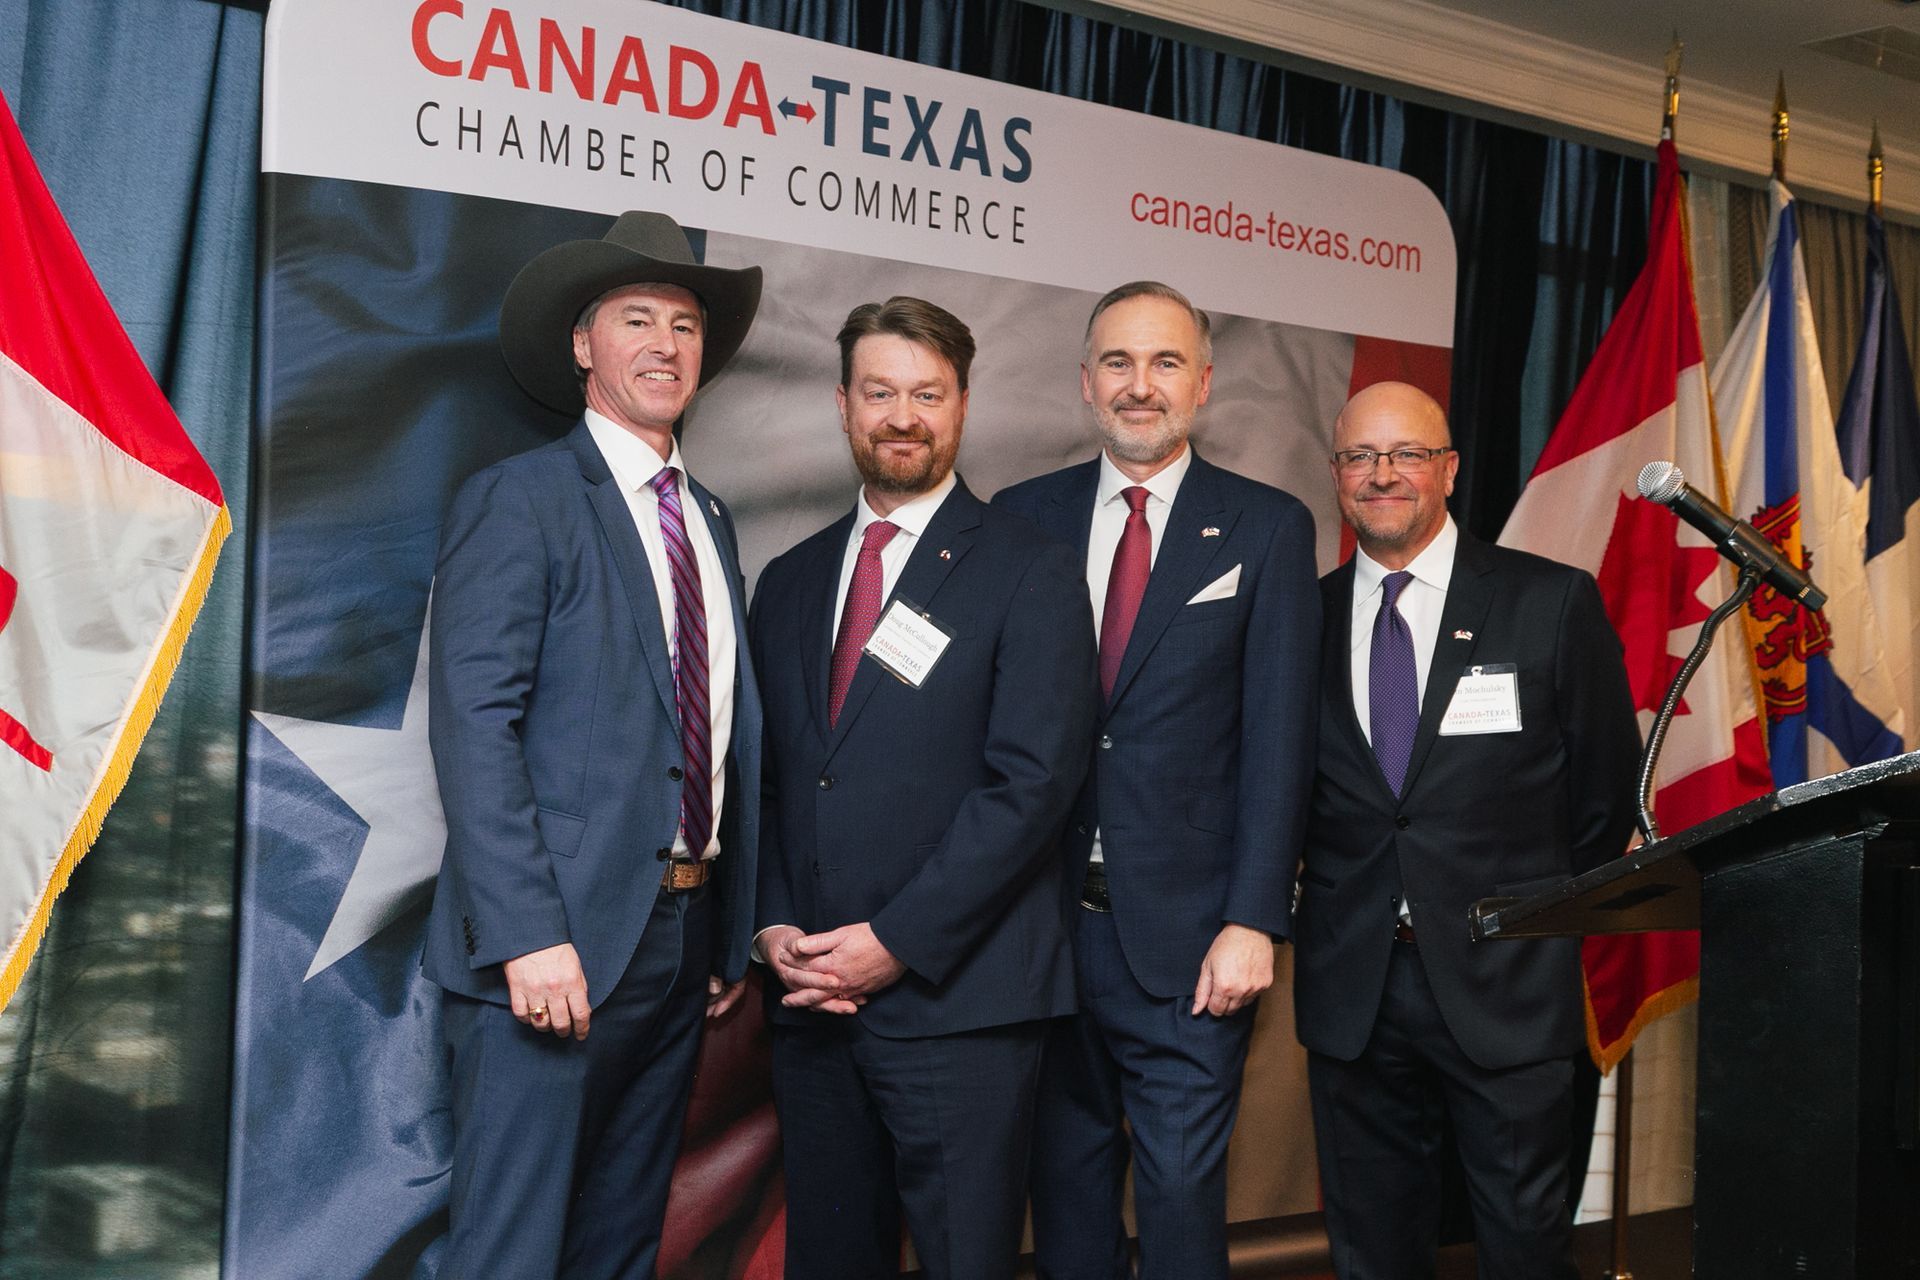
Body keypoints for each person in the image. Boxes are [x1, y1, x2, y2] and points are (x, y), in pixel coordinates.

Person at [419, 211, 765, 1279]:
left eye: (685, 323)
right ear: (584, 345)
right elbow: (474, 721)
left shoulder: (708, 515)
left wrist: (726, 921)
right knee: (514, 1249)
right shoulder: (520, 500)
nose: (665, 343)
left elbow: (714, 732)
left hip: (679, 940)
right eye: (636, 319)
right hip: (557, 946)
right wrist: (526, 932)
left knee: (619, 1240)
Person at [749, 295, 1099, 1280]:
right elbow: (774, 779)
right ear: (842, 403)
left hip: (961, 1005)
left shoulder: (1028, 570)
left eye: (927, 393)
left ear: (963, 404)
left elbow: (1033, 786)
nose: (903, 414)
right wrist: (775, 925)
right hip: (812, 997)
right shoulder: (789, 579)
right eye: (880, 391)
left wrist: (894, 942)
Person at [994, 280, 1320, 1280]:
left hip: (1191, 938)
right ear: (1087, 385)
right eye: (1121, 364)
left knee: (1180, 1192)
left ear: (1205, 383)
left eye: (1166, 362)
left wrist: (1254, 917)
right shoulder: (1019, 518)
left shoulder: (1266, 527)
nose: (1143, 385)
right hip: (1039, 929)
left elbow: (1279, 738)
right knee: (1065, 1191)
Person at [1293, 381, 1639, 1279]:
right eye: (1361, 458)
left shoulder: (1550, 603)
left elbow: (1604, 801)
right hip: (1354, 986)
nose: (1383, 475)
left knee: (1523, 1243)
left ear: (1448, 468)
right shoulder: (1303, 616)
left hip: (1508, 982)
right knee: (1370, 1247)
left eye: (1406, 454)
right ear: (1336, 474)